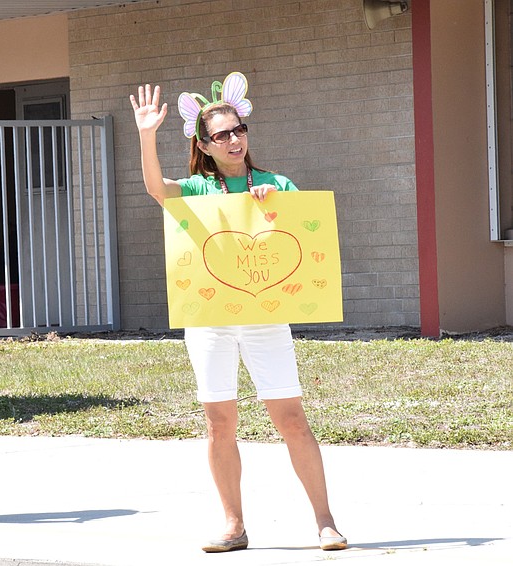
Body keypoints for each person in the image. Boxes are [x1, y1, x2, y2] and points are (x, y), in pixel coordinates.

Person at [129, 73, 347, 553]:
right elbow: (154, 189)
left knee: (292, 420)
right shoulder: (194, 187)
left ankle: (326, 521)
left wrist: (276, 208)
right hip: (209, 320)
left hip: (267, 318)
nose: (233, 139)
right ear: (204, 146)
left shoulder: (277, 182)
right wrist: (147, 135)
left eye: (238, 130)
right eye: (221, 135)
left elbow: (302, 235)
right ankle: (234, 525)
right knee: (219, 423)